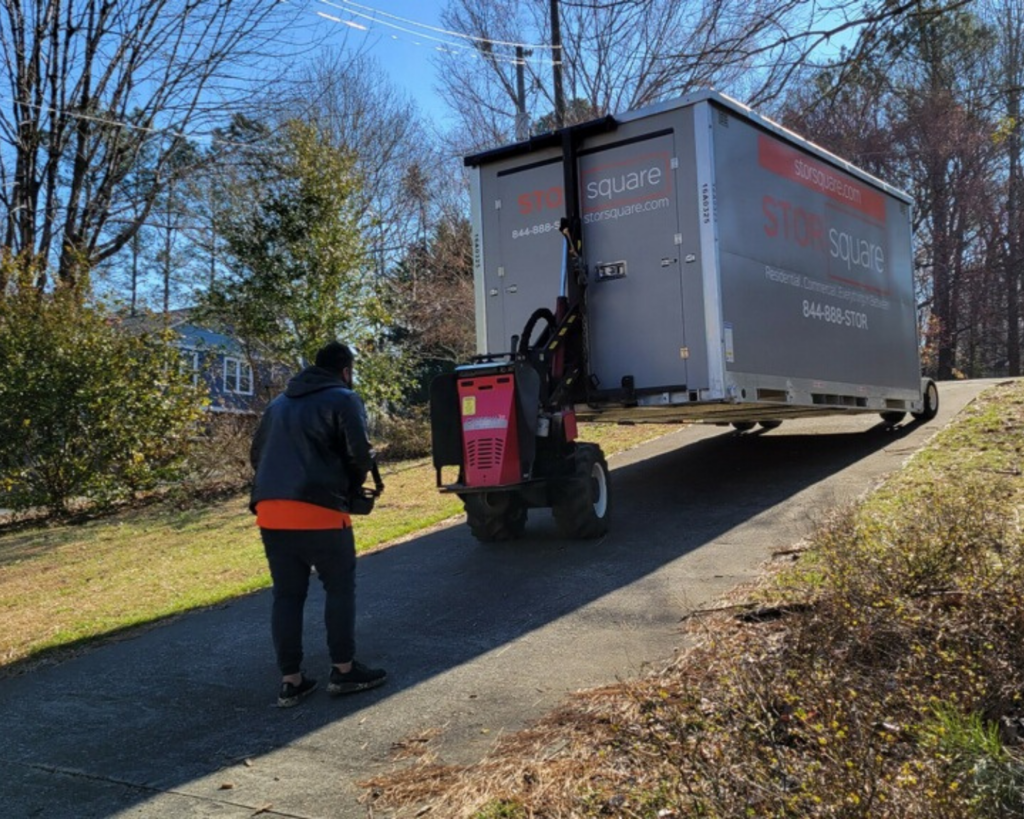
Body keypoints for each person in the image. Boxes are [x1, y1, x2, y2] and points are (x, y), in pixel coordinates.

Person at [250, 341, 387, 707]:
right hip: (321, 510)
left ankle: (291, 681)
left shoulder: (277, 405)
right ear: (346, 370)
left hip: (271, 512)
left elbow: (256, 456)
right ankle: (343, 671)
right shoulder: (343, 398)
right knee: (339, 589)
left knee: (287, 595)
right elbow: (358, 454)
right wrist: (352, 486)